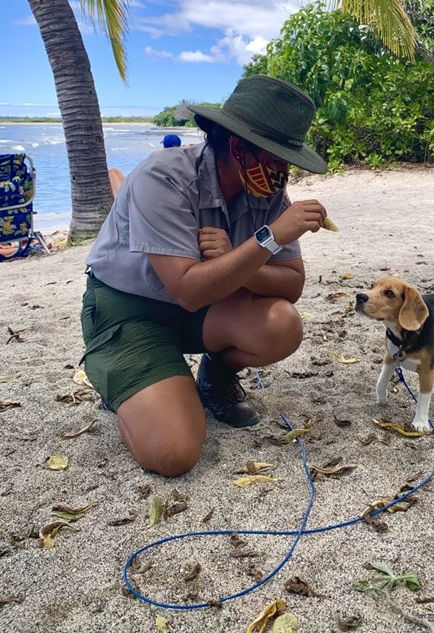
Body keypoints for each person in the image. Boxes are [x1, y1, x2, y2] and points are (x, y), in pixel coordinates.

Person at [81, 76, 329, 477]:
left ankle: (214, 375)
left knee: (282, 323)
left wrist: (239, 258)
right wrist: (267, 240)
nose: (283, 172)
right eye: (276, 158)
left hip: (204, 308)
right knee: (173, 453)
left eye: (287, 161)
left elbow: (292, 284)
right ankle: (123, 386)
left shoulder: (267, 193)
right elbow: (188, 290)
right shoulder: (164, 177)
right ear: (236, 146)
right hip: (128, 312)